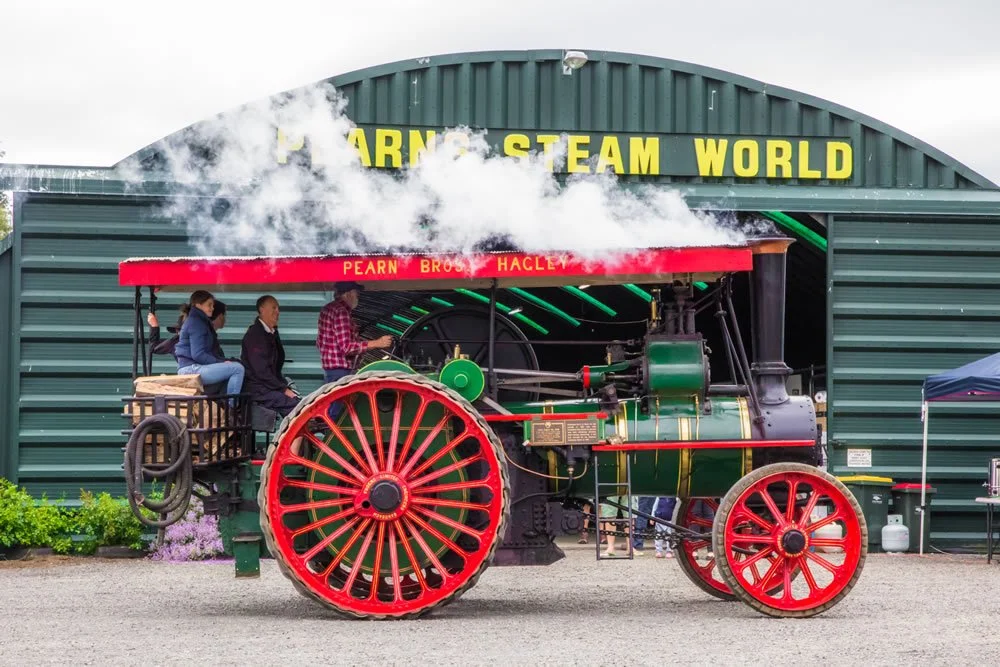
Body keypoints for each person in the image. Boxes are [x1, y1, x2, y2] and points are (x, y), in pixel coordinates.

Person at [316, 281, 393, 419]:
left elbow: (320, 343)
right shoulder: (341, 313)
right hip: (341, 371)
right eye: (356, 294)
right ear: (349, 293)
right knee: (340, 415)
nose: (358, 297)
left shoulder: (327, 309)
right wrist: (377, 343)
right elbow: (347, 347)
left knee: (332, 411)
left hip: (330, 370)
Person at [174, 290, 245, 399]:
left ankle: (222, 407)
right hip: (191, 369)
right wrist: (220, 362)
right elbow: (198, 354)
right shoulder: (196, 322)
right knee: (237, 369)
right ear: (198, 305)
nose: (212, 308)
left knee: (231, 370)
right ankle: (231, 409)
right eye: (209, 305)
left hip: (193, 368)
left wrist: (222, 362)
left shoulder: (199, 321)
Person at [240, 295, 299, 417]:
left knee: (297, 403)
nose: (278, 312)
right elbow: (261, 371)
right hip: (257, 389)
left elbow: (277, 363)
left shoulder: (271, 332)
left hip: (267, 386)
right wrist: (283, 389)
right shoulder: (255, 335)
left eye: (278, 308)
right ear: (262, 310)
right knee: (292, 406)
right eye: (274, 308)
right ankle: (298, 435)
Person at [148, 299, 228, 360]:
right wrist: (154, 326)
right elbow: (154, 348)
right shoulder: (180, 340)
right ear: (219, 316)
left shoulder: (210, 337)